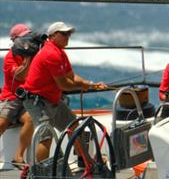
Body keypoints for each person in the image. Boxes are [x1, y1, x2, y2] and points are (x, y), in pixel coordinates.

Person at [19, 22, 108, 163]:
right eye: (64, 34)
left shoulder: (60, 52)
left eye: (69, 34)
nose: (68, 37)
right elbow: (64, 84)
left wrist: (90, 84)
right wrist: (84, 87)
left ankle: (86, 162)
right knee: (46, 137)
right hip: (37, 101)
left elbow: (71, 77)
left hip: (51, 99)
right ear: (53, 36)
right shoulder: (51, 53)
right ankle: (43, 174)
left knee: (74, 126)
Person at [0, 24, 34, 168]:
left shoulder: (34, 55)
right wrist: (28, 59)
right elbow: (21, 76)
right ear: (15, 41)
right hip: (11, 98)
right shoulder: (10, 57)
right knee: (1, 124)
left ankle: (18, 156)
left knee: (30, 119)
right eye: (23, 38)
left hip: (26, 99)